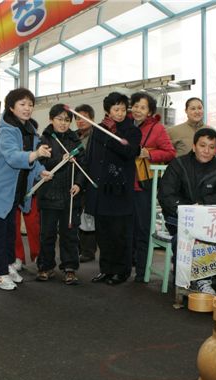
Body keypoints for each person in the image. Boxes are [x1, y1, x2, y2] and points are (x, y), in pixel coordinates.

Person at [0, 88, 52, 291]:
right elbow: (13, 157)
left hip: (14, 194)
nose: (27, 108)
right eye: (22, 104)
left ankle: (8, 265)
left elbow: (32, 160)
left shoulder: (29, 131)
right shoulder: (6, 131)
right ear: (11, 107)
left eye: (30, 104)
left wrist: (41, 172)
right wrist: (36, 154)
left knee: (10, 233)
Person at [158, 128, 216, 294]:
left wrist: (201, 204)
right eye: (202, 145)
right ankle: (195, 279)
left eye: (212, 147)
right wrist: (187, 211)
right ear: (194, 146)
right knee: (186, 238)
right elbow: (166, 195)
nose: (206, 151)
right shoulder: (178, 164)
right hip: (179, 219)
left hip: (212, 221)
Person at [85, 92, 141, 285]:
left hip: (119, 190)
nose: (120, 113)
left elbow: (130, 152)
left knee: (120, 234)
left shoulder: (131, 131)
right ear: (108, 110)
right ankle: (106, 269)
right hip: (101, 189)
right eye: (116, 109)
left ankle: (121, 271)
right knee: (103, 233)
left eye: (123, 109)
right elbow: (92, 156)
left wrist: (114, 136)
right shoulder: (99, 129)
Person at [35, 104, 85, 284]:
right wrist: (60, 160)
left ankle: (70, 268)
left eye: (67, 120)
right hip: (49, 194)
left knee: (70, 234)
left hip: (70, 195)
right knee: (47, 233)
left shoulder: (75, 140)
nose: (63, 123)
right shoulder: (44, 140)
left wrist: (79, 184)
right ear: (51, 119)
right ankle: (45, 267)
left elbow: (83, 166)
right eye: (59, 119)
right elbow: (41, 165)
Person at [129, 92, 175, 282]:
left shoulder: (157, 128)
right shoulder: (125, 124)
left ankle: (141, 271)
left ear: (149, 112)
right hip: (124, 185)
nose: (138, 110)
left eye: (143, 107)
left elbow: (170, 153)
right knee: (127, 228)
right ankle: (126, 266)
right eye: (136, 105)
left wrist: (150, 154)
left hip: (142, 185)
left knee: (142, 228)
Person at [74, 104, 98, 263]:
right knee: (77, 215)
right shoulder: (74, 136)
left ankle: (89, 251)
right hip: (76, 179)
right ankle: (80, 248)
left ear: (92, 119)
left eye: (84, 118)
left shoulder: (97, 136)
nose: (80, 121)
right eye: (77, 118)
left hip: (91, 180)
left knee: (88, 216)